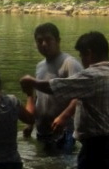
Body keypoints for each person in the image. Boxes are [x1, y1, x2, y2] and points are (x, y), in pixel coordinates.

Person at [20, 31, 109, 169]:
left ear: (89, 53)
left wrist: (32, 82)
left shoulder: (92, 76)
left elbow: (56, 87)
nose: (82, 62)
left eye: (82, 56)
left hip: (96, 147)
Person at [23, 22, 83, 153]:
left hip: (64, 130)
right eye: (40, 41)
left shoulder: (69, 63)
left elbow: (80, 95)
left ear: (58, 41)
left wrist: (63, 117)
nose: (44, 44)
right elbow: (39, 97)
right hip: (42, 130)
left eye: (48, 40)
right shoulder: (40, 66)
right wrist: (30, 124)